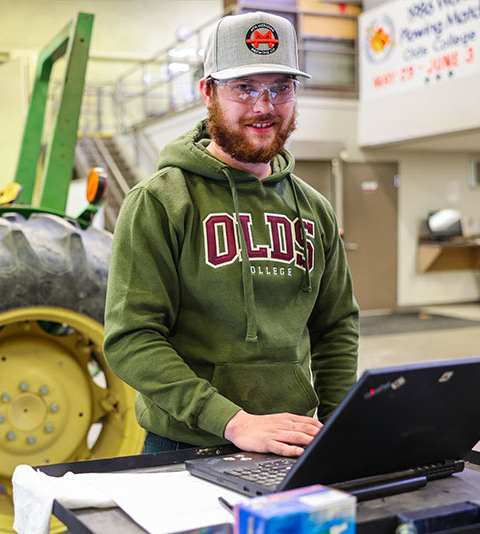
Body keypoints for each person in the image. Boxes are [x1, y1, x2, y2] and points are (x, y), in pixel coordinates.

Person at [103, 11, 359, 456]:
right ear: (208, 92)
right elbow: (132, 338)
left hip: (292, 441)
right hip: (182, 443)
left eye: (281, 88)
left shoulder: (314, 209)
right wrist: (232, 422)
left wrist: (339, 426)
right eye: (245, 88)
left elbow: (335, 326)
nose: (265, 106)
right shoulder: (160, 201)